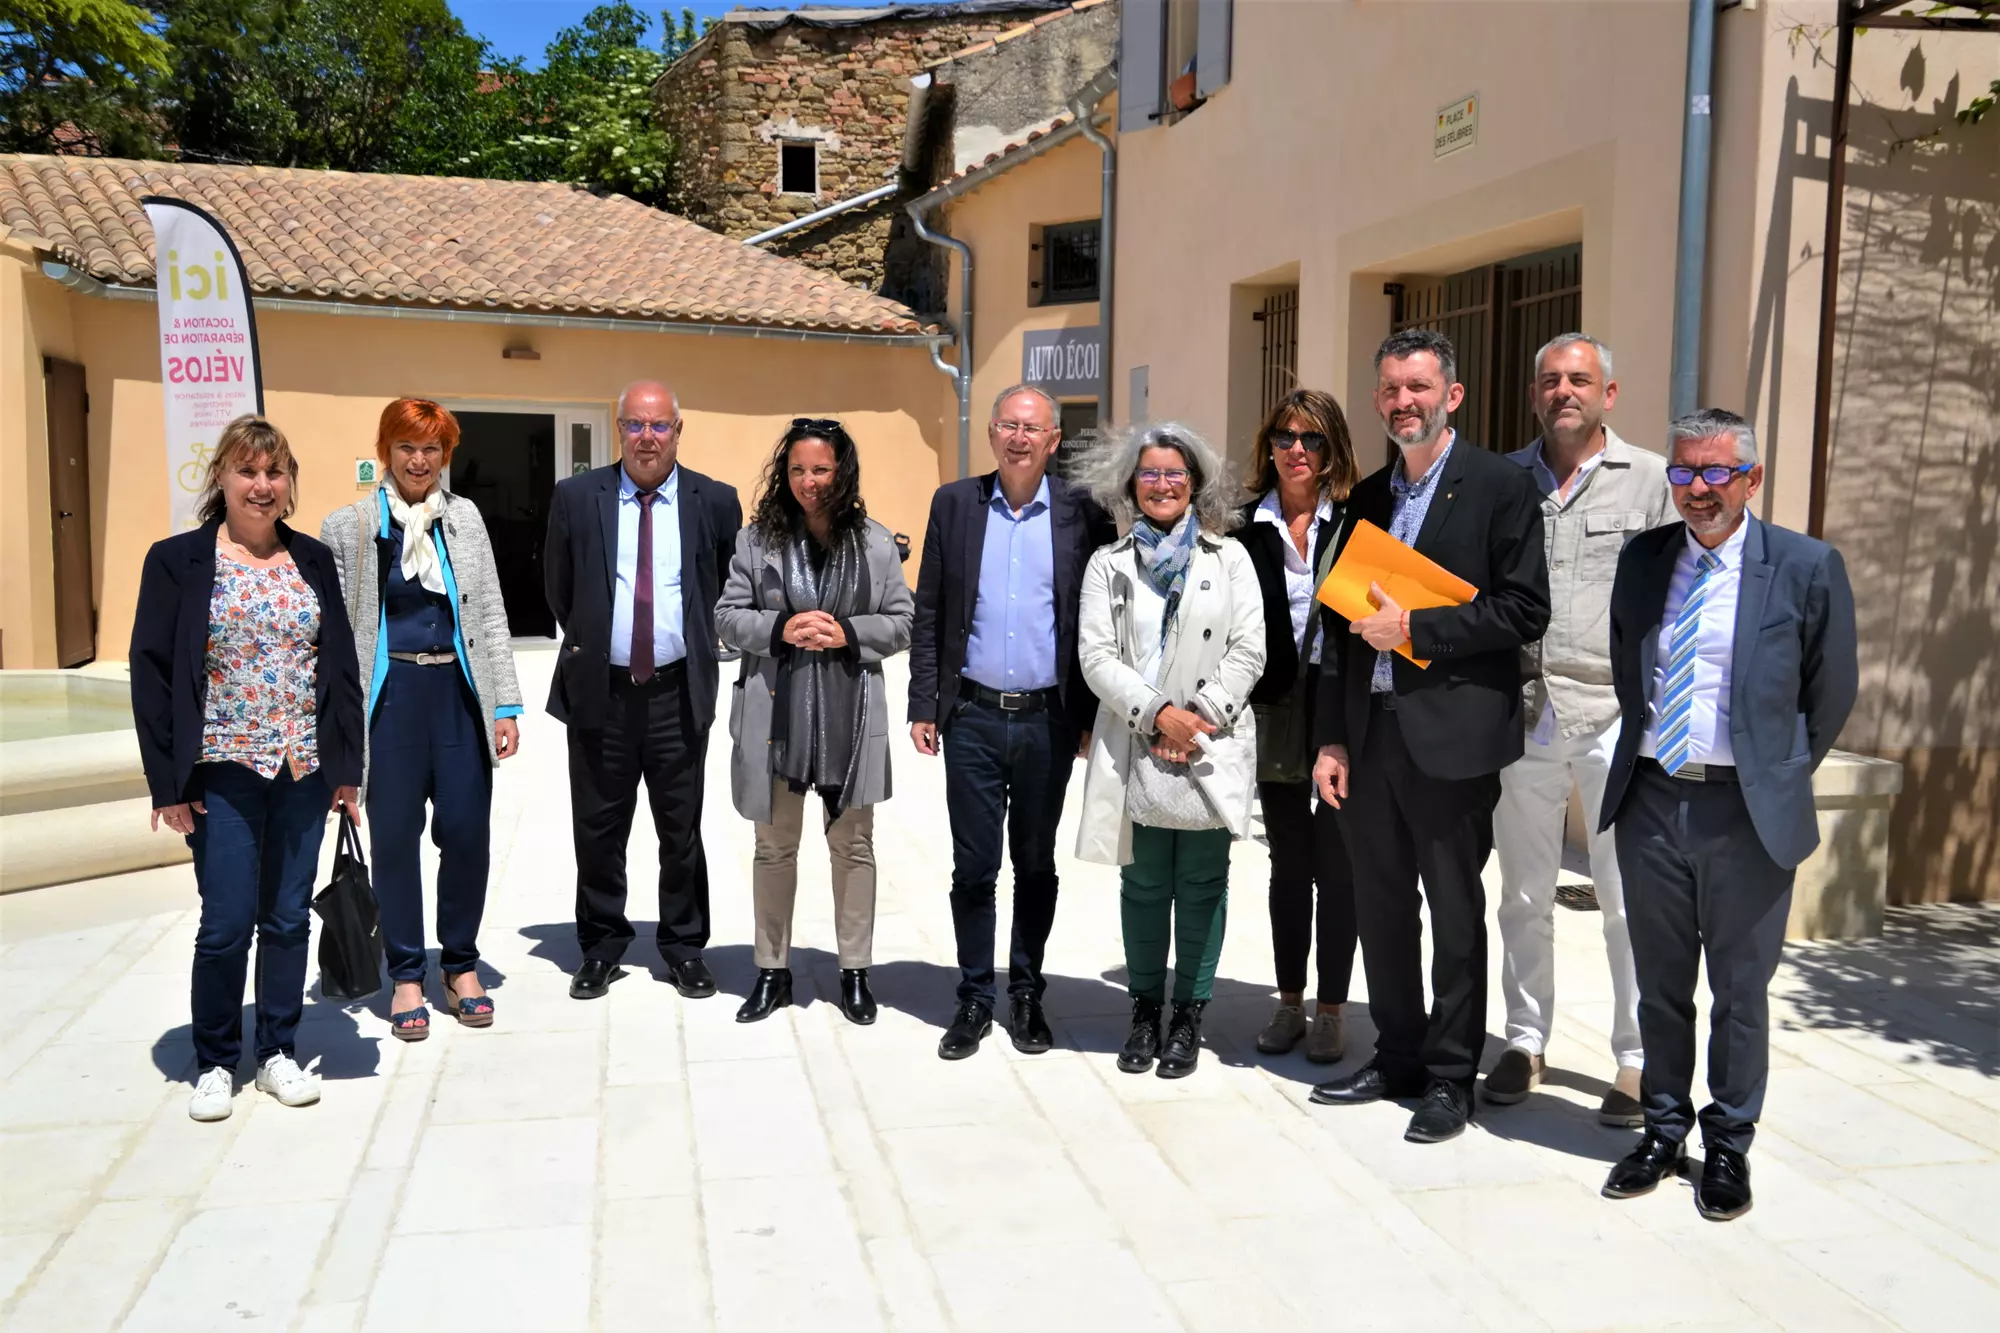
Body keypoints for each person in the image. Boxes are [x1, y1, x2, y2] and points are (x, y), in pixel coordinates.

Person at [1598, 408, 1856, 1220]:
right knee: (1662, 986)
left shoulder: (1806, 567)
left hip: (1746, 812)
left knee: (1741, 989)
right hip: (1652, 797)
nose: (1698, 490)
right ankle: (1664, 1129)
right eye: (1683, 473)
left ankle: (1729, 1144)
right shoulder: (1645, 559)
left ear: (1751, 477)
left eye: (1714, 473)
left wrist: (1774, 775)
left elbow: (1832, 689)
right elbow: (1624, 658)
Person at [1308, 328, 1551, 1144]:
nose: (1401, 401)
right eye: (1389, 389)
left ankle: (1451, 1075)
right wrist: (1332, 739)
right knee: (1381, 906)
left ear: (1452, 395)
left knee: (1453, 911)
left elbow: (1524, 609)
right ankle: (1399, 1054)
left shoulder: (1500, 487)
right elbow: (1342, 631)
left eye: (1417, 387)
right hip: (1369, 736)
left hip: (1452, 739)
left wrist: (1419, 625)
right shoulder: (1369, 496)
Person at [130, 414, 364, 1122]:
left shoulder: (315, 559)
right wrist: (167, 784)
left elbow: (341, 666)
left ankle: (277, 1051)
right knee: (228, 921)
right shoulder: (177, 561)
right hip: (223, 766)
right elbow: (153, 674)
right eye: (248, 471)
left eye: (274, 472)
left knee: (289, 917)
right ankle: (214, 1058)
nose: (262, 485)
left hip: (301, 766)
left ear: (288, 482)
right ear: (222, 479)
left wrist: (346, 767)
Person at [1486, 336, 1673, 1121]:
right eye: (1551, 380)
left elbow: (1679, 595)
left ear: (1609, 391)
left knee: (1625, 895)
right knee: (1523, 891)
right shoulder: (1504, 481)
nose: (1564, 391)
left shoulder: (1654, 480)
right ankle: (1526, 1039)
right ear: (1535, 395)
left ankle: (1636, 1059)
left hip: (1613, 715)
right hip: (1522, 710)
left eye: (1579, 379)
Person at [909, 383, 1117, 1060]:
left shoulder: (1083, 513)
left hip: (1046, 721)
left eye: (1034, 429)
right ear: (993, 434)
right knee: (973, 866)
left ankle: (1026, 992)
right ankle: (974, 995)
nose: (1020, 438)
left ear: (1054, 440)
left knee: (1035, 863)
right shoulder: (954, 505)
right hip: (970, 715)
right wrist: (923, 703)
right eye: (1008, 426)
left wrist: (1089, 716)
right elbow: (931, 610)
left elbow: (1099, 622)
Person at [320, 399, 524, 1040]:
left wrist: (506, 702)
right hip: (391, 698)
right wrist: (336, 731)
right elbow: (330, 635)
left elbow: (489, 611)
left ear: (446, 456)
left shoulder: (464, 520)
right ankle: (406, 971)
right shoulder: (349, 527)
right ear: (387, 449)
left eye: (431, 449)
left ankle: (460, 965)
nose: (419, 460)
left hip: (458, 697)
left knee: (467, 834)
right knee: (396, 839)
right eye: (407, 447)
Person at [1075, 423, 1266, 1078]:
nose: (1162, 484)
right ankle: (1144, 1009)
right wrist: (1158, 716)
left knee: (1204, 882)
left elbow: (1250, 648)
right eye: (1150, 473)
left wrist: (1198, 718)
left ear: (1196, 482)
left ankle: (1189, 1015)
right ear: (1131, 483)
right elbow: (1095, 654)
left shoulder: (1230, 559)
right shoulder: (1109, 563)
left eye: (1174, 473)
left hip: (1210, 742)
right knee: (1146, 883)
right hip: (1138, 740)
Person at [544, 380, 742, 1001]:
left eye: (659, 426)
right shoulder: (577, 497)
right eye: (635, 425)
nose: (647, 438)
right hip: (601, 693)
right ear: (618, 430)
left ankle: (683, 947)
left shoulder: (715, 500)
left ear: (678, 431)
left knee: (679, 830)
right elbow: (559, 586)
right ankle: (601, 945)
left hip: (678, 693)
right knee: (598, 828)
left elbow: (728, 586)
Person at [716, 418, 914, 1026]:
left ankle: (855, 972)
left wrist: (848, 631)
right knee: (773, 849)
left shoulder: (878, 543)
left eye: (821, 469)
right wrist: (780, 628)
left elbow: (904, 621)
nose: (808, 482)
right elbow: (727, 617)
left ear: (842, 472)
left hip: (849, 715)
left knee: (853, 847)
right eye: (797, 469)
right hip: (774, 716)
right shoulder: (757, 541)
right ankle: (772, 971)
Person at [1233, 390, 1362, 1064]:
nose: (1296, 451)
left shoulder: (1362, 519)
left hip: (1343, 703)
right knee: (1290, 863)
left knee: (1339, 865)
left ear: (1331, 447)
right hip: (1275, 707)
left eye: (1311, 439)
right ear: (1269, 444)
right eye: (1285, 436)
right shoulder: (1242, 526)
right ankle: (1288, 1003)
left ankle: (1333, 1010)